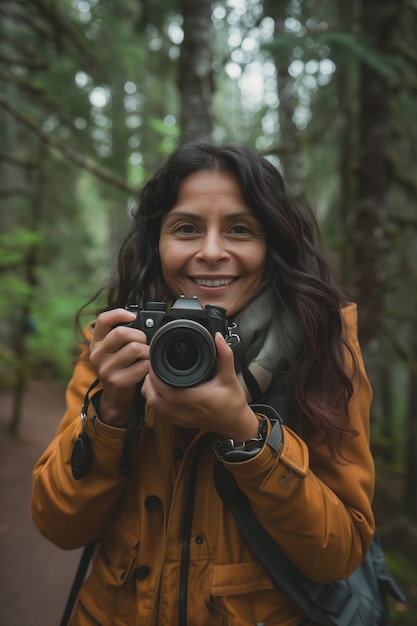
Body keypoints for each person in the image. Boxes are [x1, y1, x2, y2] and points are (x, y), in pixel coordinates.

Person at [31, 140, 375, 626]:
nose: (212, 252)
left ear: (272, 243)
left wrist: (246, 435)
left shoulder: (323, 352)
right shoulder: (118, 345)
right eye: (187, 228)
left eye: (240, 229)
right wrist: (110, 412)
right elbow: (58, 524)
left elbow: (339, 555)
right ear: (157, 242)